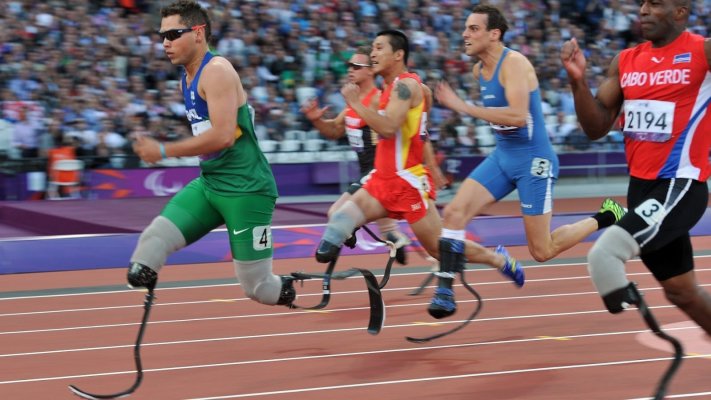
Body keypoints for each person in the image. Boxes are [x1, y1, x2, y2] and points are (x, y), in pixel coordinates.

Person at [428, 5, 627, 319]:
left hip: (535, 161)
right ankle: (444, 290)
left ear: (494, 34)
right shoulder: (479, 70)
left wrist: (463, 107)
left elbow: (518, 117)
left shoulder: (516, 64)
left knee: (542, 251)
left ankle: (606, 215)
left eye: (473, 29)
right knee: (453, 213)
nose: (464, 35)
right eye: (465, 28)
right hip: (504, 156)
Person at [314, 30, 518, 304]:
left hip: (406, 183)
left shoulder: (406, 87)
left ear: (398, 55)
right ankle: (369, 238)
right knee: (337, 222)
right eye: (372, 49)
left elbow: (387, 129)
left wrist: (353, 103)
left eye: (379, 48)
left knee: (438, 249)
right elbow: (418, 133)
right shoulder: (389, 88)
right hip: (380, 180)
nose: (372, 54)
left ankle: (497, 258)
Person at [127, 0, 296, 308]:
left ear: (199, 33)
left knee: (259, 289)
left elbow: (222, 137)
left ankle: (291, 286)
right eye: (162, 35)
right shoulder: (186, 76)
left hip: (247, 191)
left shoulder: (216, 70)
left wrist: (163, 150)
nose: (166, 42)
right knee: (149, 249)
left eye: (174, 33)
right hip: (210, 185)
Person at [560, 0, 711, 333]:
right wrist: (577, 82)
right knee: (682, 292)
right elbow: (596, 127)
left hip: (680, 186)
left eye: (654, 3)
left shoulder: (703, 52)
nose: (643, 10)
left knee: (605, 255)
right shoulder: (625, 61)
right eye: (641, 3)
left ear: (680, 12)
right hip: (641, 189)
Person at [300, 46, 412, 264]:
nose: (350, 70)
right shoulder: (354, 101)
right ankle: (399, 242)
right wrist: (315, 120)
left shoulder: (376, 99)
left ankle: (348, 236)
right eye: (349, 66)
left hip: (378, 171)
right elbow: (334, 130)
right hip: (365, 172)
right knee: (388, 231)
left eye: (356, 66)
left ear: (371, 71)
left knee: (336, 214)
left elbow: (390, 129)